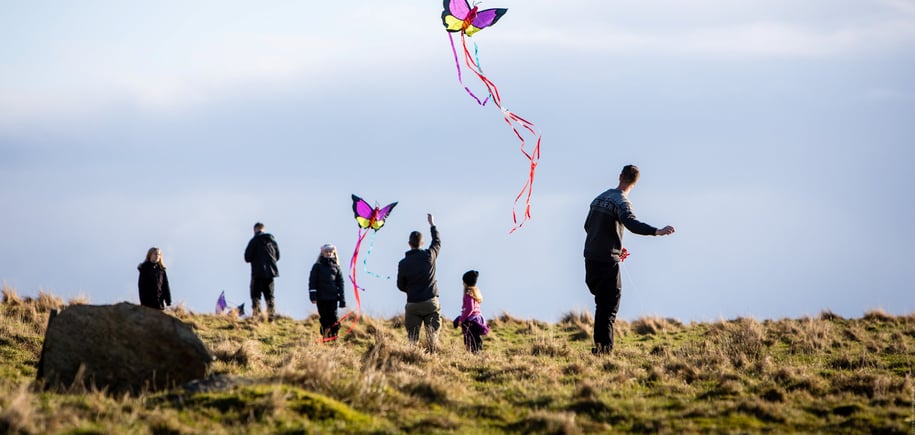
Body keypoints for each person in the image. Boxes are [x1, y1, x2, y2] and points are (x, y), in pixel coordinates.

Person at [584, 165, 675, 354]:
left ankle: (600, 349)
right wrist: (656, 231)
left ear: (620, 176)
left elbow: (588, 226)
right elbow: (631, 223)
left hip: (591, 258)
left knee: (602, 305)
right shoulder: (622, 202)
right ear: (635, 183)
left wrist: (614, 246)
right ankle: (604, 351)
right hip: (606, 261)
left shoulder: (599, 198)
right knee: (609, 307)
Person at [396, 213, 442, 349]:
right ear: (422, 243)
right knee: (432, 337)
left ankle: (412, 360)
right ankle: (432, 362)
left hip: (413, 304)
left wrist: (411, 289)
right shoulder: (429, 256)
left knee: (412, 339)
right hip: (430, 302)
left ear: (409, 244)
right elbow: (437, 242)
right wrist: (432, 225)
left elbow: (400, 285)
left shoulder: (403, 263)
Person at [244, 222, 280, 321]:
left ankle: (257, 316)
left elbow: (247, 257)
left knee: (256, 295)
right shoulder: (272, 241)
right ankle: (271, 317)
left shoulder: (254, 241)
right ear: (263, 229)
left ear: (255, 229)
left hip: (257, 273)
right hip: (270, 273)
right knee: (270, 296)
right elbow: (278, 256)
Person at [308, 244, 346, 339]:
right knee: (324, 318)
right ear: (322, 253)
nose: (328, 254)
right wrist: (313, 296)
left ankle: (334, 336)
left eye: (330, 252)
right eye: (326, 252)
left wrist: (342, 300)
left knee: (333, 317)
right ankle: (325, 336)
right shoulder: (317, 267)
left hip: (333, 298)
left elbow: (341, 284)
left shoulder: (336, 267)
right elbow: (312, 282)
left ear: (333, 253)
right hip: (321, 298)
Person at [452, 270, 490, 353]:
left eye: (463, 281)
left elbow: (470, 308)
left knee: (470, 340)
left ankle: (474, 354)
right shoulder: (475, 292)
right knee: (475, 339)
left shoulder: (469, 293)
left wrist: (462, 319)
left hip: (472, 321)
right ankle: (476, 354)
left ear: (465, 282)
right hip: (477, 318)